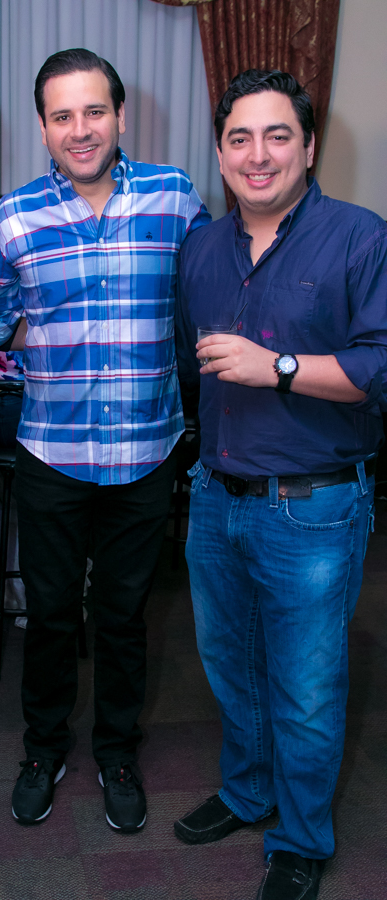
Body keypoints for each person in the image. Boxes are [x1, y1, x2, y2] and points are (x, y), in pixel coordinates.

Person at [0, 47, 210, 834]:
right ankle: (42, 749)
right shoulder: (13, 218)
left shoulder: (174, 197)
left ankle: (116, 751)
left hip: (147, 454)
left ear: (120, 115)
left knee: (122, 618)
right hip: (53, 454)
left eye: (94, 111)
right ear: (43, 128)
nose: (80, 130)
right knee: (51, 618)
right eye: (62, 116)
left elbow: (210, 292)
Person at [174, 69, 387, 900]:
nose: (257, 155)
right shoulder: (201, 248)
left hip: (314, 509)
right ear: (221, 150)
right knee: (231, 669)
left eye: (277, 136)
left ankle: (300, 838)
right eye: (239, 138)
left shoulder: (360, 237)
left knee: (305, 689)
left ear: (308, 146)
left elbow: (378, 369)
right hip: (215, 497)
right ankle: (248, 791)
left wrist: (281, 367)